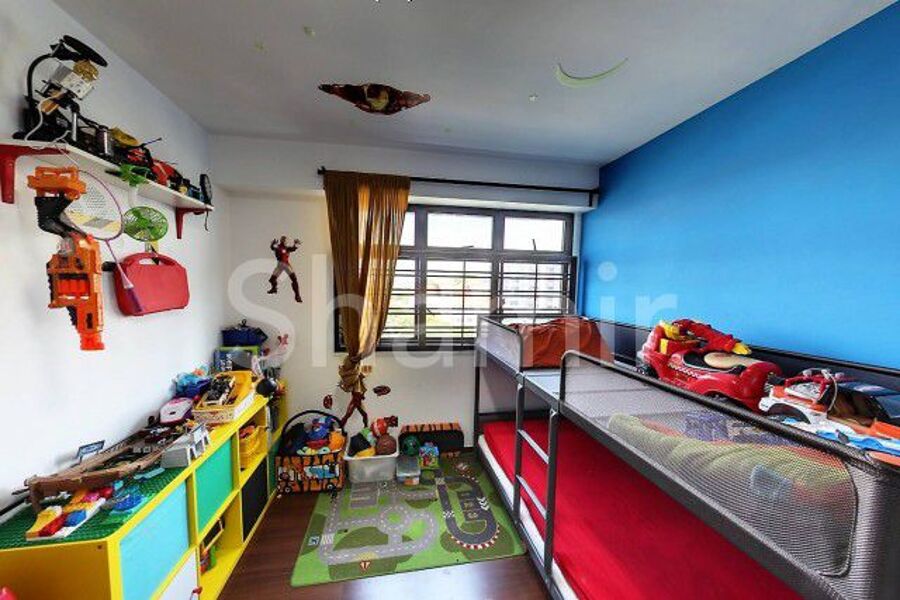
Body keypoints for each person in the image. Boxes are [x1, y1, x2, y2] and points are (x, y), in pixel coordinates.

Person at [268, 236, 302, 302]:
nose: (285, 241)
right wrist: (272, 244)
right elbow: (273, 248)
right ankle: (274, 288)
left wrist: (296, 244)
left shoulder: (287, 248)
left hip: (286, 264)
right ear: (281, 240)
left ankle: (297, 295)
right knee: (272, 280)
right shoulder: (278, 247)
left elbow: (293, 248)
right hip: (280, 265)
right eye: (283, 240)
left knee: (294, 279)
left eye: (285, 240)